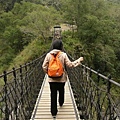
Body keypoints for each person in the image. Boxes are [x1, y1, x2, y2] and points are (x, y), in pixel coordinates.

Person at [42, 40, 83, 118]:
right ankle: (61, 102)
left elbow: (44, 66)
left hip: (51, 79)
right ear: (61, 46)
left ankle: (53, 112)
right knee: (61, 90)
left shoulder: (48, 55)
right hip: (61, 78)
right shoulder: (63, 55)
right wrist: (78, 61)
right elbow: (70, 65)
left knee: (53, 94)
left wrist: (48, 74)